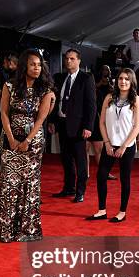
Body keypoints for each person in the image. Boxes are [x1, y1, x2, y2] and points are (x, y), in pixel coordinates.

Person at [0, 49, 54, 242]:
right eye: (32, 64)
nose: (36, 68)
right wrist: (11, 139)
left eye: (39, 64)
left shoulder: (45, 89)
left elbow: (41, 118)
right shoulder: (9, 85)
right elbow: (3, 112)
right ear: (24, 66)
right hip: (9, 140)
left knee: (29, 186)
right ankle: (5, 231)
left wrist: (27, 140)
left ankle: (27, 231)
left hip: (33, 143)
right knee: (8, 185)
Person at [86, 68, 139, 223]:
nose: (123, 81)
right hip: (110, 145)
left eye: (126, 79)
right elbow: (102, 122)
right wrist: (107, 143)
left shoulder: (136, 100)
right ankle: (102, 210)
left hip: (127, 146)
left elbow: (137, 127)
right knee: (101, 176)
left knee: (125, 179)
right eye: (120, 78)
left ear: (131, 82)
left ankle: (122, 212)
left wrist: (124, 146)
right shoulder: (109, 97)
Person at [48, 49, 96, 203]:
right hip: (62, 124)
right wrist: (52, 121)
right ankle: (69, 188)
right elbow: (55, 102)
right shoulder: (60, 77)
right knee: (66, 159)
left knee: (80, 161)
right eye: (67, 58)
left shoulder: (86, 78)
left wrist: (88, 127)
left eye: (72, 59)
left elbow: (91, 105)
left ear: (79, 61)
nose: (69, 61)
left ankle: (80, 191)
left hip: (79, 127)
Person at [92, 65, 116, 180]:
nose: (106, 71)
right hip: (95, 115)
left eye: (108, 69)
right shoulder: (95, 81)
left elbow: (115, 95)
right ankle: (101, 172)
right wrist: (100, 84)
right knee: (97, 148)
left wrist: (111, 87)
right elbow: (91, 91)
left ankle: (104, 171)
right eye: (104, 69)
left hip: (107, 114)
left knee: (103, 147)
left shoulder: (112, 82)